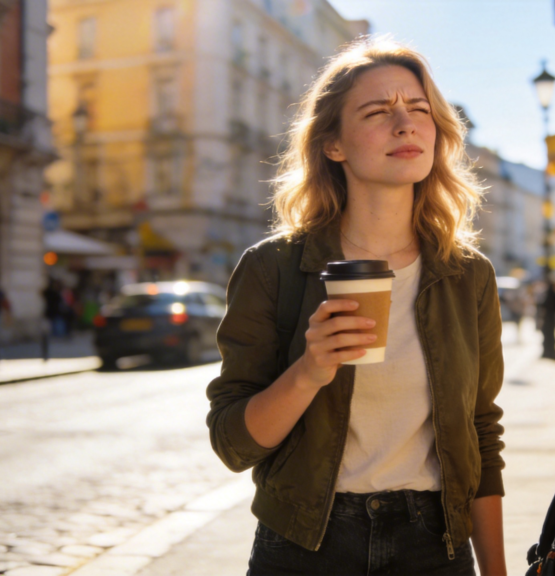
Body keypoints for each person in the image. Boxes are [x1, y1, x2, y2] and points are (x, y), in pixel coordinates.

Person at [206, 37, 507, 576]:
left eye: (419, 109)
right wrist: (308, 371)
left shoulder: (468, 275)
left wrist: (498, 570)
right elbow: (234, 445)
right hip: (304, 545)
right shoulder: (272, 268)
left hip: (435, 544)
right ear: (333, 145)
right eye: (377, 112)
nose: (405, 124)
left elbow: (481, 431)